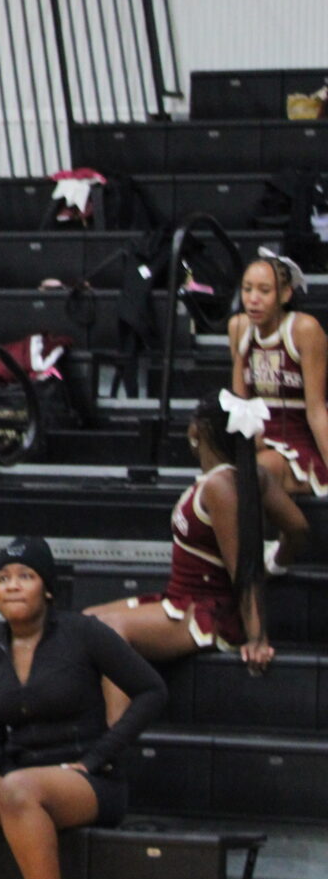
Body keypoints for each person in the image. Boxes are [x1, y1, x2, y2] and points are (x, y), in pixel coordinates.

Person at [0, 538, 167, 879]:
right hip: (18, 777)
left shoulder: (83, 632)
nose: (12, 585)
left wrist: (99, 756)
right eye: (2, 578)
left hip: (88, 780)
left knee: (20, 789)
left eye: (25, 576)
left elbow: (152, 691)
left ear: (48, 589)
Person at [86, 392, 298, 688]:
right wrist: (277, 561)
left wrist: (257, 637)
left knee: (107, 633)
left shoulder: (220, 487)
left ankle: (119, 731)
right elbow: (298, 528)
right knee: (83, 623)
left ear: (197, 430)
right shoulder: (244, 476)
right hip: (179, 600)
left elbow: (243, 569)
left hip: (207, 612)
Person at [229, 251, 327, 569]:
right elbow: (240, 406)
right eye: (247, 289)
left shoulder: (304, 330)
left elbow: (317, 411)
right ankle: (228, 561)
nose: (253, 299)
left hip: (300, 439)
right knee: (222, 473)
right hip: (261, 433)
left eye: (264, 290)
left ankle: (280, 551)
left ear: (285, 294)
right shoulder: (238, 328)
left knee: (254, 472)